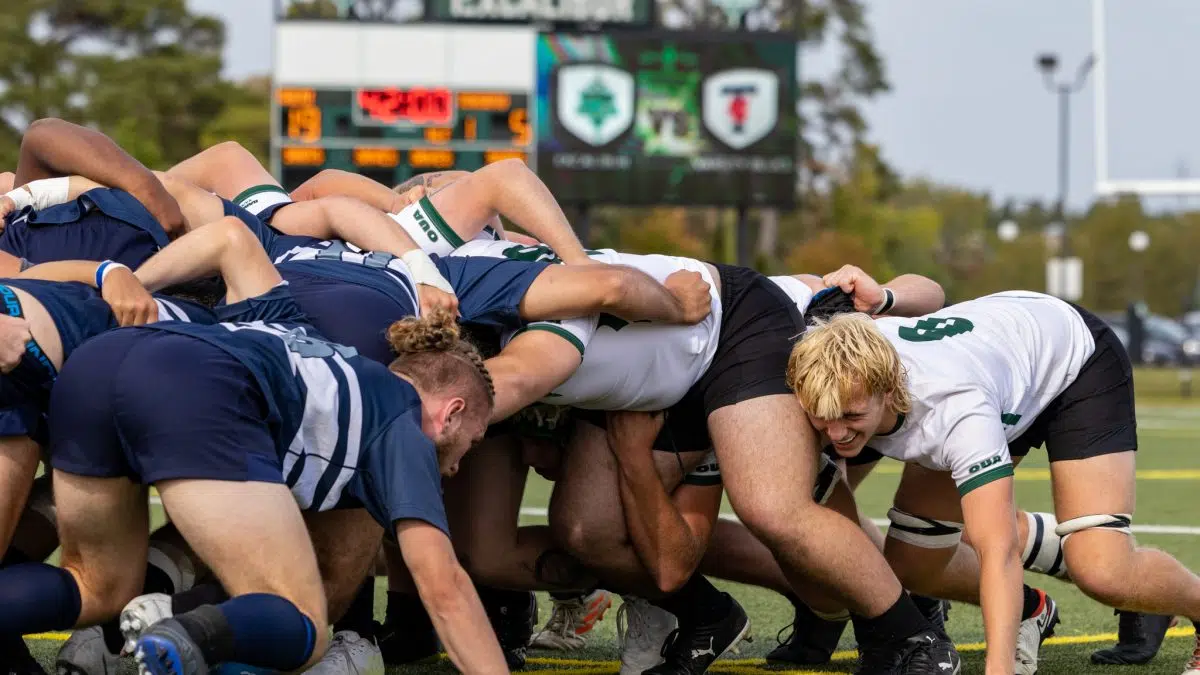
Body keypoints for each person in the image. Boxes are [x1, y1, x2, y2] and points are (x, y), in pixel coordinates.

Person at [0, 217, 509, 675]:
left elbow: (232, 239)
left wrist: (128, 280)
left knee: (97, 589)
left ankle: (175, 624)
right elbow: (443, 587)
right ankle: (184, 634)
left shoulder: (301, 332)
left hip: (96, 361)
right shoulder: (402, 417)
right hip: (192, 382)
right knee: (307, 624)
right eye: (473, 440)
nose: (457, 466)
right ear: (452, 412)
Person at [786, 291, 1200, 675]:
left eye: (852, 416)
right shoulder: (826, 367)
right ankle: (1033, 609)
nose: (836, 433)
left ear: (890, 392)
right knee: (911, 565)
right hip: (997, 363)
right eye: (823, 416)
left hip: (1071, 357)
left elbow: (998, 552)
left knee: (1102, 570)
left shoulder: (958, 413)